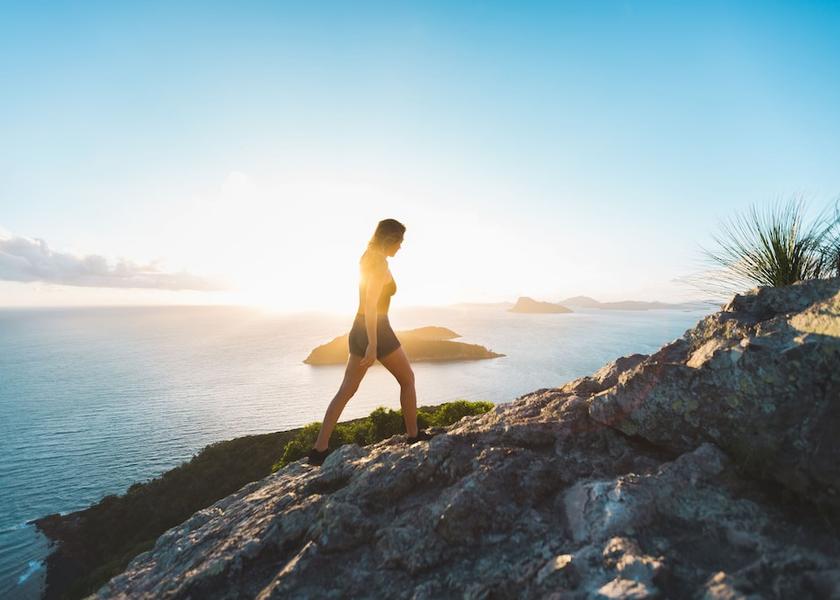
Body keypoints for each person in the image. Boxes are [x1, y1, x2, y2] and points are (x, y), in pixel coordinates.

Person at [307, 218, 436, 466]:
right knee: (407, 379)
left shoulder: (367, 256)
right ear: (390, 239)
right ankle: (413, 436)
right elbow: (371, 306)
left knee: (346, 390)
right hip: (376, 329)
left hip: (358, 328)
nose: (401, 246)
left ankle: (318, 451)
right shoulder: (378, 263)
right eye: (400, 241)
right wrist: (374, 344)